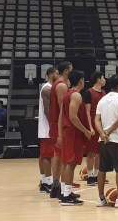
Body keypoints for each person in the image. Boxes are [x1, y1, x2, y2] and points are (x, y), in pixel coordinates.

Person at [95, 75, 118, 208]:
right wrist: (108, 132)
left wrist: (102, 133)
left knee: (102, 169)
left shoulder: (102, 100)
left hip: (103, 140)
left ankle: (100, 198)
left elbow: (97, 119)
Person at [60, 70, 93, 206]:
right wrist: (85, 131)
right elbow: (73, 117)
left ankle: (66, 191)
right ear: (81, 80)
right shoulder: (75, 95)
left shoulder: (69, 94)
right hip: (73, 132)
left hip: (70, 131)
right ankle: (66, 196)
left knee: (70, 163)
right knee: (71, 163)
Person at [48, 61, 73, 199]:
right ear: (66, 72)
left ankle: (57, 185)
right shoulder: (61, 85)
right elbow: (63, 109)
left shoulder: (57, 84)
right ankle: (62, 188)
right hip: (59, 125)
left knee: (57, 155)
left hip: (55, 123)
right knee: (61, 157)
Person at [82, 72, 106, 186]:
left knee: (100, 152)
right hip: (92, 123)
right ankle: (90, 176)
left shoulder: (104, 93)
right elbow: (87, 111)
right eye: (103, 78)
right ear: (98, 79)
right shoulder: (88, 93)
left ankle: (97, 175)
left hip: (102, 124)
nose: (105, 80)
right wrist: (90, 126)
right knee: (91, 152)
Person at [38, 66, 58, 194]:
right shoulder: (47, 89)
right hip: (47, 127)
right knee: (47, 155)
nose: (58, 74)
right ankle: (48, 182)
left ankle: (45, 181)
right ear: (51, 74)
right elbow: (47, 109)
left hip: (47, 126)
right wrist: (53, 125)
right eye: (56, 73)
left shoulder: (50, 88)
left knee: (45, 155)